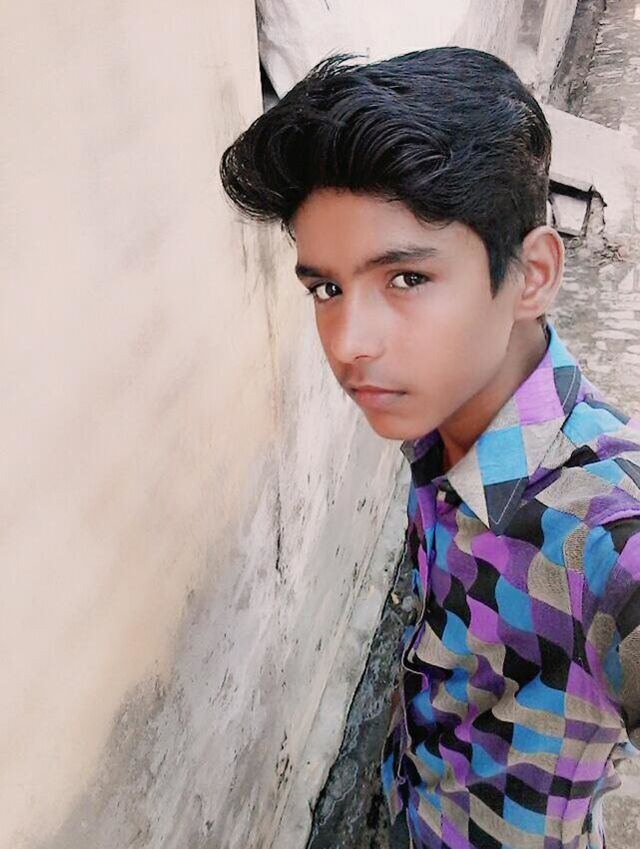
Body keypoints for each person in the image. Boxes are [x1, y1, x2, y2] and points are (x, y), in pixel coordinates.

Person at [219, 46, 640, 849]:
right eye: (326, 288)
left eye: (405, 278)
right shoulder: (441, 420)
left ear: (532, 274)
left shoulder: (608, 537)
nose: (348, 341)